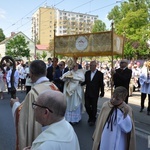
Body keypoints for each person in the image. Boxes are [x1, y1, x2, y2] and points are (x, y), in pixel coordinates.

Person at [10, 60, 59, 150]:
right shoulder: (54, 87)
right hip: (57, 133)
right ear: (46, 72)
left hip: (41, 134)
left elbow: (23, 114)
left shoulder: (33, 93)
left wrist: (15, 104)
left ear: (31, 74)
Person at [81, 60, 104, 126]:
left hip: (95, 92)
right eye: (90, 65)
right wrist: (79, 83)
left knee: (94, 106)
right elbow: (85, 81)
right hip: (88, 92)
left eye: (92, 65)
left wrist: (102, 92)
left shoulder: (100, 74)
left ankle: (92, 120)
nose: (90, 67)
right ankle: (92, 116)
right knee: (87, 106)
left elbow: (101, 84)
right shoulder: (87, 73)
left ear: (95, 66)